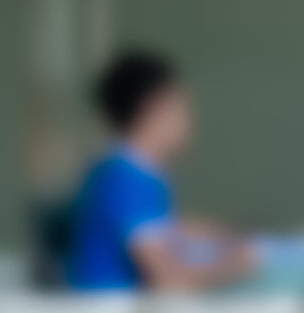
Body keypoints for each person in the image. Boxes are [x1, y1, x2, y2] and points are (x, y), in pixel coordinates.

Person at [64, 51, 254, 293]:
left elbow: (163, 228)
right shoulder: (126, 180)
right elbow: (166, 280)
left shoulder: (119, 170)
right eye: (181, 108)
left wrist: (225, 234)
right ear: (154, 108)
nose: (188, 121)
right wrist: (234, 265)